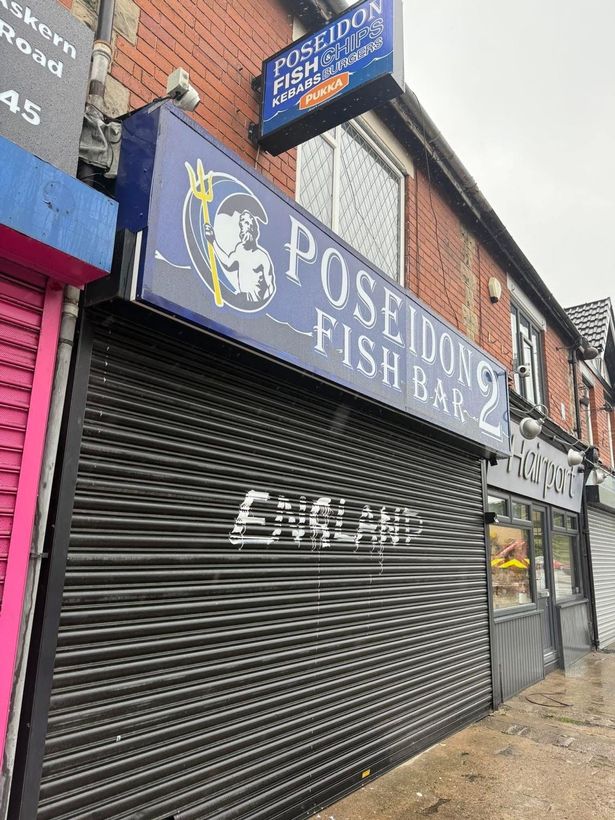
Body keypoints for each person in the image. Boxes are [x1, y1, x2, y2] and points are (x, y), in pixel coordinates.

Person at [204, 210, 274, 305]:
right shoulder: (240, 249)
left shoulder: (262, 256)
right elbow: (228, 263)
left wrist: (262, 306)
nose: (244, 228)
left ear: (253, 228)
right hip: (243, 299)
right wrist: (213, 241)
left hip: (255, 303)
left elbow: (270, 286)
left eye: (247, 223)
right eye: (242, 225)